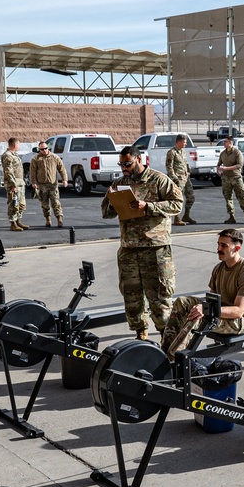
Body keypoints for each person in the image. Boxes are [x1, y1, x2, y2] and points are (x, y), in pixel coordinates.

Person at [100, 145, 183, 340]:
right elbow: (106, 213)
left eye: (127, 163)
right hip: (129, 248)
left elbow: (177, 203)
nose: (124, 168)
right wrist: (111, 199)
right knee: (132, 296)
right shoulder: (120, 183)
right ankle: (141, 334)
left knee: (159, 296)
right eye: (121, 164)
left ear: (139, 160)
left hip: (155, 248)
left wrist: (149, 207)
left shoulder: (158, 180)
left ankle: (168, 337)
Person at [161, 228, 244, 358]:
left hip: (240, 321)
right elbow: (212, 298)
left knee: (199, 317)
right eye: (218, 244)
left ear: (236, 249)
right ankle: (164, 351)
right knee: (182, 302)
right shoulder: (219, 268)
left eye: (224, 245)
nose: (218, 248)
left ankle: (175, 359)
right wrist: (201, 307)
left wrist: (205, 310)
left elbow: (238, 311)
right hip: (221, 312)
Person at [29, 140, 68, 227]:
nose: (44, 150)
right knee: (44, 204)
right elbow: (32, 172)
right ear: (39, 149)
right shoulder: (36, 159)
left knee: (56, 203)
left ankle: (59, 220)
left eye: (46, 148)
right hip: (41, 185)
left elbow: (62, 169)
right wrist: (33, 182)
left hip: (53, 184)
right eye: (42, 149)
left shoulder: (55, 157)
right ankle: (48, 220)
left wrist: (64, 179)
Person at [217, 136, 244, 224]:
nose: (224, 143)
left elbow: (239, 165)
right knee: (228, 197)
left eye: (225, 141)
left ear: (231, 142)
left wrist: (226, 168)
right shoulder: (223, 153)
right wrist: (218, 170)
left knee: (242, 195)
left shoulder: (237, 153)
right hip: (226, 178)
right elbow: (219, 163)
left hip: (236, 177)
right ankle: (231, 216)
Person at [166, 133, 196, 226]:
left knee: (191, 197)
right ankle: (176, 218)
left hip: (186, 178)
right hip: (178, 179)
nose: (185, 144)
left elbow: (185, 163)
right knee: (178, 199)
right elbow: (169, 167)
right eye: (184, 142)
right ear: (178, 142)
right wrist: (174, 178)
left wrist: (188, 172)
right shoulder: (172, 152)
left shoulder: (183, 151)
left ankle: (186, 215)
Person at [1, 137, 29, 232]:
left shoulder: (15, 155)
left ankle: (18, 221)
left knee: (21, 204)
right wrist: (13, 184)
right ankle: (13, 224)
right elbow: (8, 171)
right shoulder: (8, 156)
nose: (19, 146)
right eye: (18, 144)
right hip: (13, 184)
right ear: (15, 145)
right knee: (13, 204)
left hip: (20, 183)